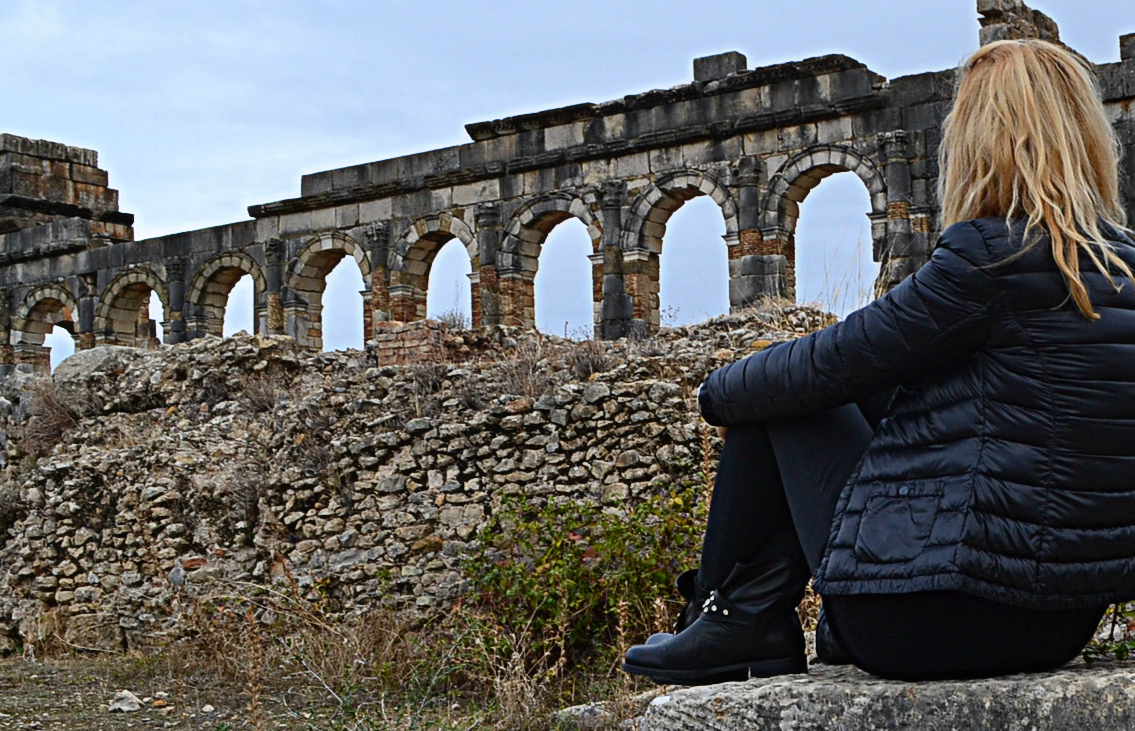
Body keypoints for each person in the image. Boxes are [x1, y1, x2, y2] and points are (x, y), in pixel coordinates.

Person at [622, 38, 1135, 684]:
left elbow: (823, 365)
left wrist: (713, 392)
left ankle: (731, 616)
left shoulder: (988, 259)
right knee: (845, 386)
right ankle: (738, 617)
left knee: (780, 387)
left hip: (929, 619)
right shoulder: (1122, 270)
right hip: (1056, 620)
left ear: (979, 142)